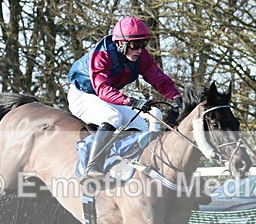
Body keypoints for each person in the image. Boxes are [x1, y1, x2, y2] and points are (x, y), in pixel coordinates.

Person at [67, 16, 182, 178]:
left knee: (141, 126)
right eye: (135, 45)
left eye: (143, 45)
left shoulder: (141, 57)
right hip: (83, 95)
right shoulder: (102, 55)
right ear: (120, 43)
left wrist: (176, 97)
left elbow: (157, 77)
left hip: (108, 96)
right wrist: (132, 101)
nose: (139, 50)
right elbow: (103, 89)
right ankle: (93, 167)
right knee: (112, 117)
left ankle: (123, 165)